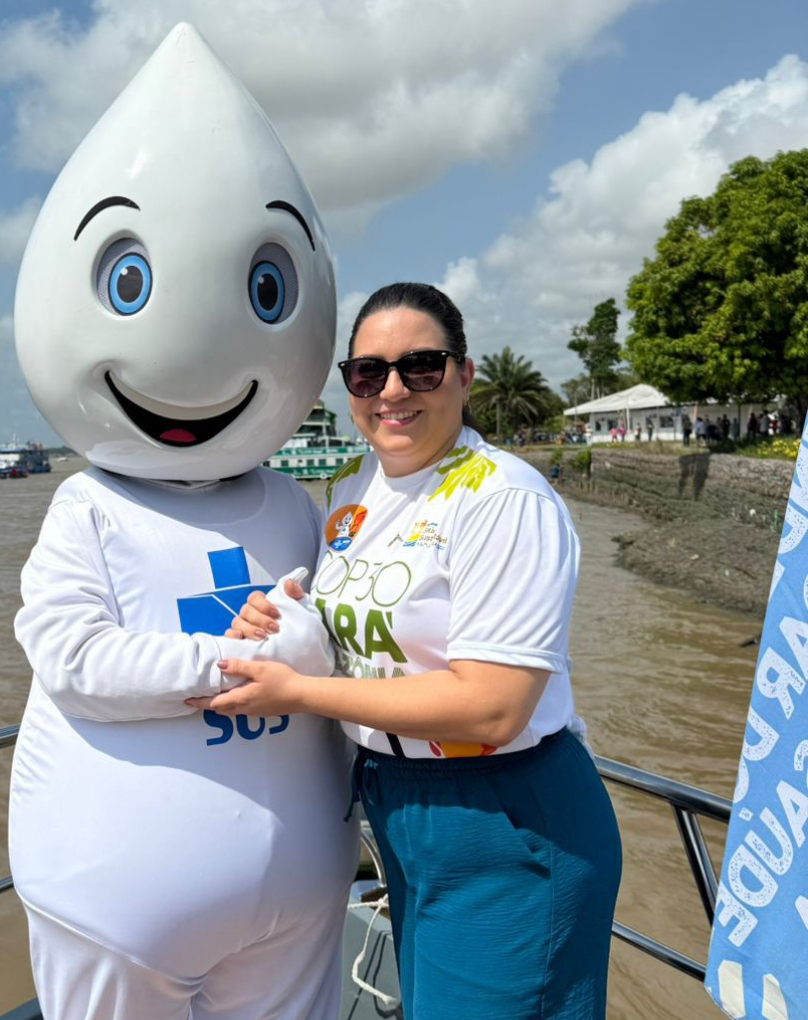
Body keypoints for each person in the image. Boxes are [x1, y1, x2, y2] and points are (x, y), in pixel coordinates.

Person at [7, 24, 356, 1020]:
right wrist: (237, 668)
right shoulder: (87, 505)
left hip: (301, 906)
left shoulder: (299, 507)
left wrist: (310, 654)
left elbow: (347, 650)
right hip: (116, 906)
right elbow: (71, 655)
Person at [191, 282, 622, 1020]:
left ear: (463, 374)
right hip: (397, 808)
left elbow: (492, 705)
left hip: (504, 819)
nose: (392, 390)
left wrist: (294, 695)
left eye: (420, 367)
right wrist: (281, 618)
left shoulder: (501, 499)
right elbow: (354, 639)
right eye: (368, 373)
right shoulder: (355, 492)